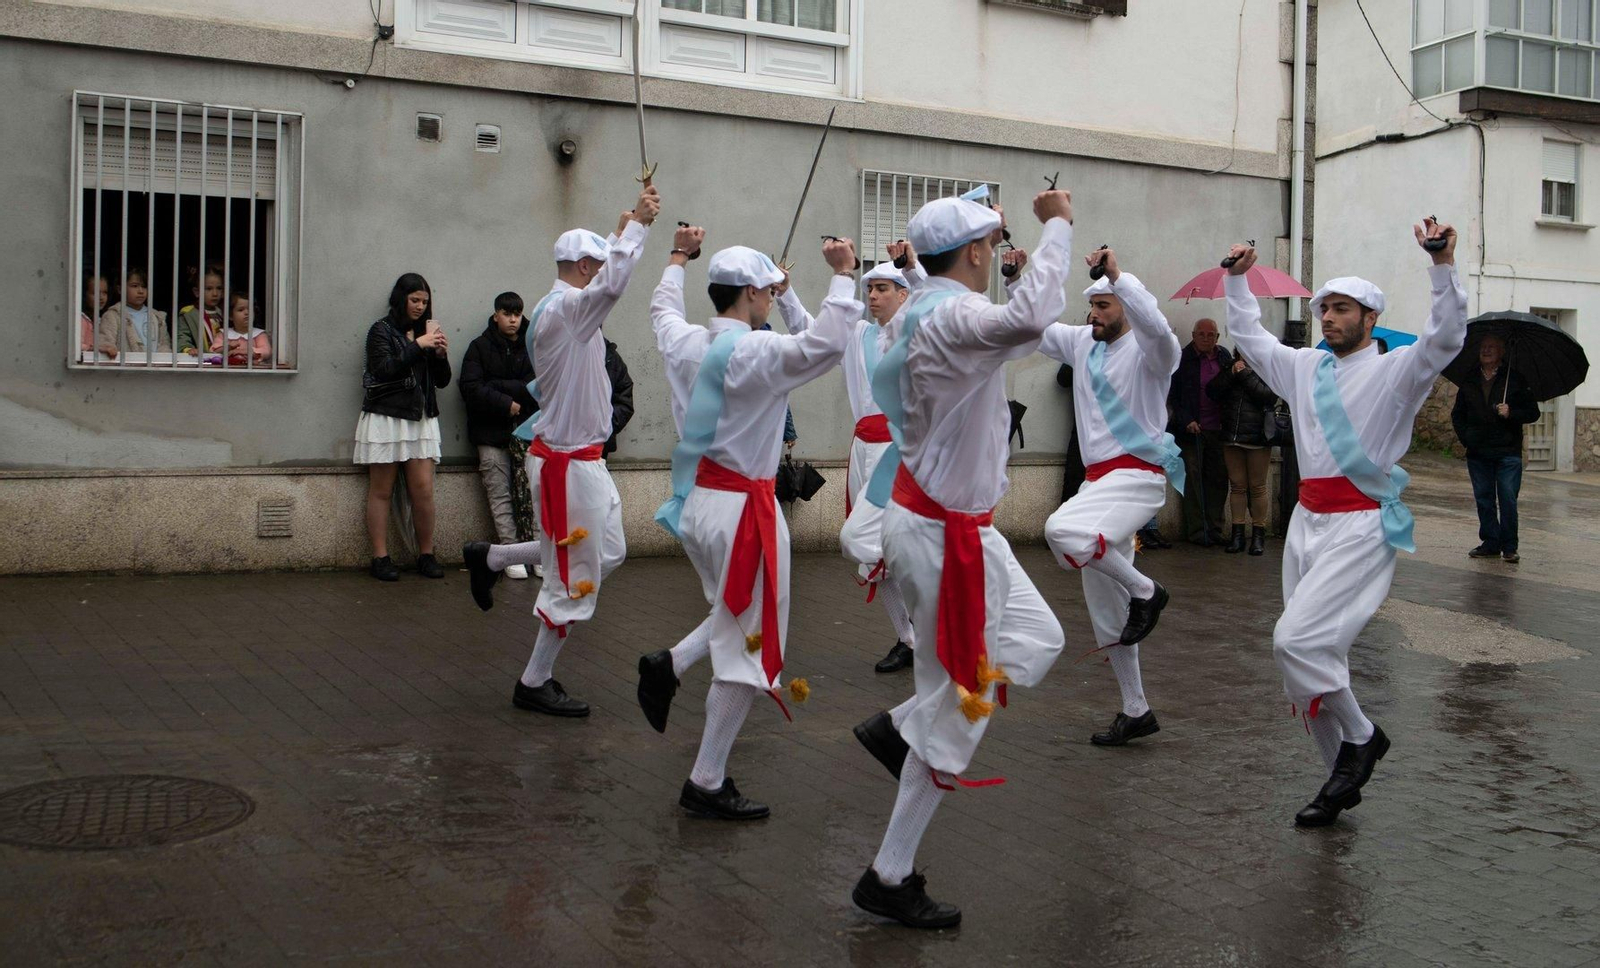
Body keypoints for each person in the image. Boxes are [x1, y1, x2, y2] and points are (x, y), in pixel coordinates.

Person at [848, 189, 1072, 929]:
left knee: (1038, 642)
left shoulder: (918, 310)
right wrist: (1057, 223)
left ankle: (903, 725)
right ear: (975, 252)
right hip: (945, 534)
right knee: (963, 706)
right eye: (991, 242)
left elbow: (1013, 332)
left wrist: (1011, 248)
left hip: (954, 527)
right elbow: (1029, 321)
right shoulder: (946, 314)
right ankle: (889, 871)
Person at [1221, 218, 1466, 827]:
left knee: (1294, 642)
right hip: (1307, 523)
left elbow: (1445, 338)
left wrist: (1441, 265)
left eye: (1341, 309)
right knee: (1308, 658)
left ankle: (1361, 737)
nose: (1327, 317)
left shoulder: (1398, 371)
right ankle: (1337, 782)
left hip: (1359, 526)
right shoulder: (1305, 368)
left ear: (1369, 318)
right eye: (1323, 307)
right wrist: (1237, 279)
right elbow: (1250, 337)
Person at [636, 231, 860, 822]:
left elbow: (661, 309)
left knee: (735, 609)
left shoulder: (685, 342)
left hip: (699, 504)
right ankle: (706, 779)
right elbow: (831, 343)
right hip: (743, 513)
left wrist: (677, 258)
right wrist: (842, 272)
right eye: (764, 291)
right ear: (754, 294)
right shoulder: (759, 355)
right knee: (745, 652)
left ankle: (673, 663)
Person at [463, 186, 660, 718]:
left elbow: (608, 283)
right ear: (580, 266)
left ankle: (494, 556)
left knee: (607, 552)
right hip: (568, 464)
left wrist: (621, 236)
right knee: (576, 576)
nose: (601, 272)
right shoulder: (564, 311)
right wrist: (638, 227)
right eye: (596, 263)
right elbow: (612, 287)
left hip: (582, 459)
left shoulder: (568, 309)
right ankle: (535, 679)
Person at [1037, 246, 1182, 749]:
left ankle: (1148, 590)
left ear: (1125, 304)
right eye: (1092, 305)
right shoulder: (1083, 344)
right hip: (1098, 483)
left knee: (1062, 530)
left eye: (1105, 305)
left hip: (1138, 478)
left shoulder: (1151, 351)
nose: (1094, 314)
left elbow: (1161, 333)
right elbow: (1032, 327)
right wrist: (1014, 277)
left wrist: (1120, 277)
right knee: (1107, 609)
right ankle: (1135, 709)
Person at [776, 243, 928, 674]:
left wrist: (912, 267)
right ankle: (908, 636)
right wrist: (785, 292)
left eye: (882, 288)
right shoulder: (858, 334)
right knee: (871, 552)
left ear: (903, 295)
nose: (873, 296)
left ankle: (934, 622)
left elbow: (933, 307)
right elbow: (811, 330)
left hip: (900, 450)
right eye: (869, 289)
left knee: (887, 543)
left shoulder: (917, 332)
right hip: (863, 448)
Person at [355, 272, 452, 581]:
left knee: (422, 490)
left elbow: (442, 381)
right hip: (387, 416)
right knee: (381, 490)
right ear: (401, 298)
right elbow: (382, 369)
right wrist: (416, 346)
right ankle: (380, 557)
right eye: (414, 300)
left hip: (420, 418)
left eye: (424, 302)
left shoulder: (426, 331)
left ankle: (426, 554)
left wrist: (439, 354)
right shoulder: (380, 330)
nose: (420, 307)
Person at [460, 292, 538, 580]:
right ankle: (510, 552)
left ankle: (537, 553)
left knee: (534, 494)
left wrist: (498, 387)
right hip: (489, 433)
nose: (513, 319)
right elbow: (470, 387)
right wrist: (506, 403)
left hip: (528, 433)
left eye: (517, 313)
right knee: (500, 494)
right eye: (507, 313)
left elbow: (540, 385)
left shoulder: (533, 345)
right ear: (496, 315)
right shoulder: (479, 347)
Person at [1451, 333, 1538, 563]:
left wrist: (1512, 413)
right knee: (1484, 499)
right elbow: (1458, 414)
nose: (1486, 350)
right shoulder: (1470, 380)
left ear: (1502, 352)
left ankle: (1509, 546)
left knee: (1508, 498)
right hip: (1478, 452)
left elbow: (1533, 412)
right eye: (1483, 346)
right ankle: (1490, 543)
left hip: (1507, 452)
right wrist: (1467, 438)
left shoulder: (1516, 380)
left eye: (1491, 347)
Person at [1207, 352, 1278, 555]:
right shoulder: (1229, 366)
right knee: (1237, 486)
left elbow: (1268, 397)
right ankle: (1237, 535)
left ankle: (1258, 535)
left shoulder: (1266, 368)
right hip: (1231, 436)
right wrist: (1231, 372)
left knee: (1257, 487)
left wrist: (1245, 374)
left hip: (1257, 437)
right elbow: (1213, 391)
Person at [1169, 318, 1231, 545]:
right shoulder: (1183, 359)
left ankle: (1215, 529)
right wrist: (1186, 420)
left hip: (1218, 429)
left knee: (1218, 480)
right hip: (1191, 429)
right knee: (1193, 481)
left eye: (1211, 334)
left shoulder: (1224, 357)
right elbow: (1173, 396)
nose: (1206, 338)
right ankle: (1197, 531)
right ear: (1193, 335)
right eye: (1201, 334)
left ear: (1217, 338)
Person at [97, 268, 170, 353]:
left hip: (155, 365)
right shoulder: (113, 315)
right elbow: (105, 342)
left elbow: (165, 345)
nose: (141, 291)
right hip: (127, 365)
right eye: (135, 286)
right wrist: (108, 348)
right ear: (120, 289)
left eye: (144, 286)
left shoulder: (158, 317)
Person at [208, 292, 272, 365]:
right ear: (230, 316)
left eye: (250, 309)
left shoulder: (259, 334)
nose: (247, 313)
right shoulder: (223, 334)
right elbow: (213, 351)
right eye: (241, 310)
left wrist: (248, 351)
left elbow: (266, 351)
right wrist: (229, 347)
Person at [176, 264, 225, 357]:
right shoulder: (188, 313)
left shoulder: (224, 313)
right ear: (196, 292)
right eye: (209, 289)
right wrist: (188, 349)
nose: (215, 293)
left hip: (223, 361)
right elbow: (182, 337)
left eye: (219, 288)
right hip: (200, 361)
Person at [80, 273, 117, 359]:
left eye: (105, 293)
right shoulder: (81, 319)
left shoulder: (102, 319)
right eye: (95, 293)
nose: (101, 297)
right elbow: (75, 347)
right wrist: (95, 348)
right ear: (84, 294)